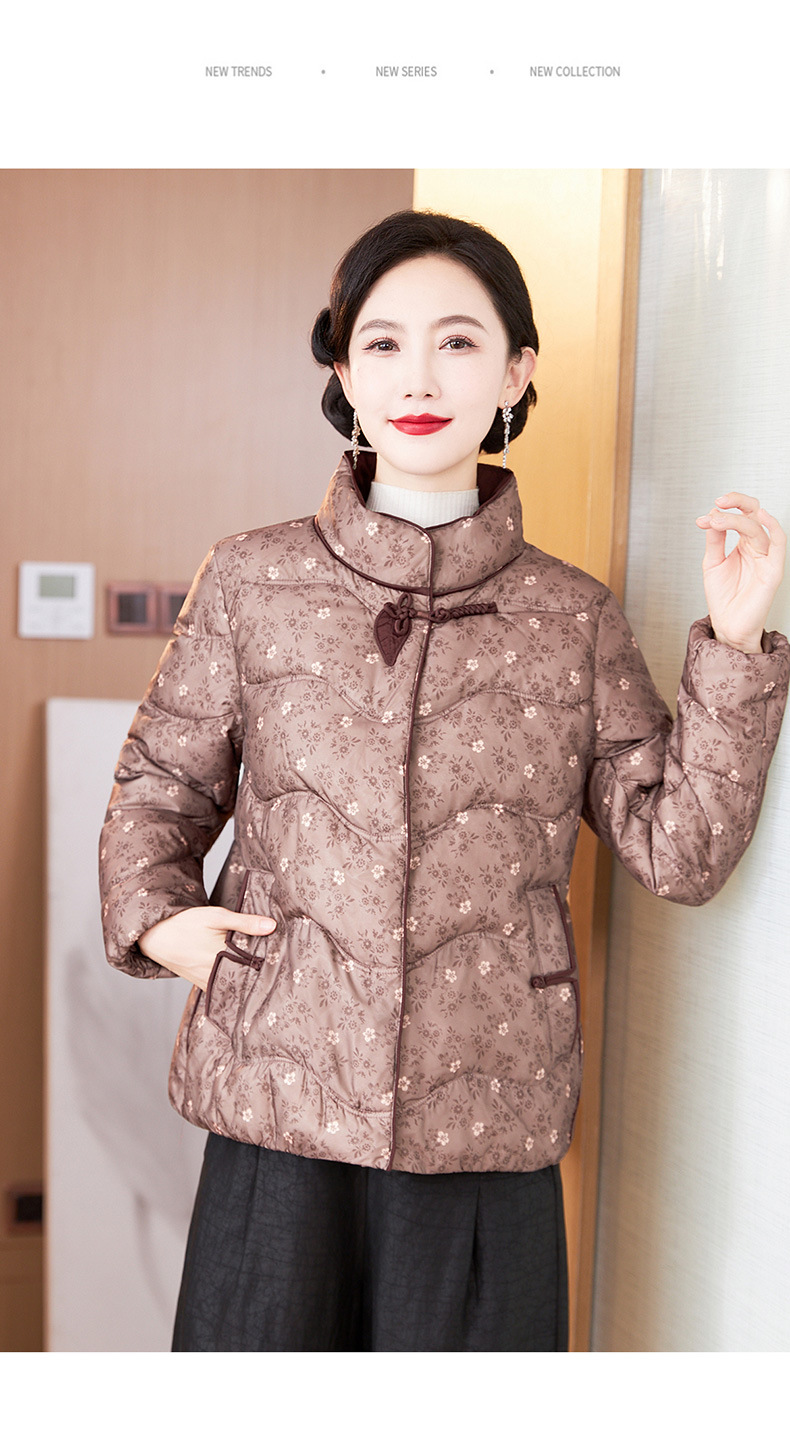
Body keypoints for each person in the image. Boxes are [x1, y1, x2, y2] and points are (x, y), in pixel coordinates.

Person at [99, 209, 789, 1352]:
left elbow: (680, 850)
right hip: (276, 1109)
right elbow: (157, 790)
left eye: (459, 342)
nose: (418, 376)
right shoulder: (253, 580)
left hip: (486, 1121)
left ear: (516, 371)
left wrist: (734, 638)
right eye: (382, 343)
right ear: (343, 372)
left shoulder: (570, 616)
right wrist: (158, 918)